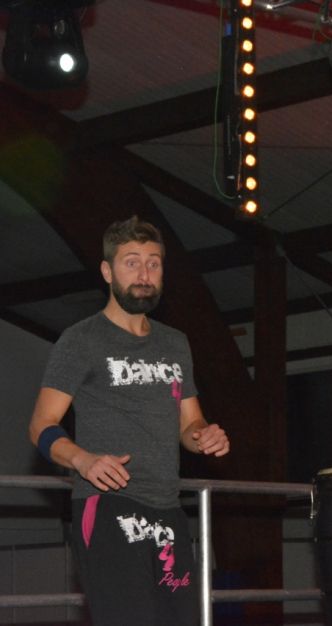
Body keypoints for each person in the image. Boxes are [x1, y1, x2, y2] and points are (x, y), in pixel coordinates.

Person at [27, 216, 230, 626]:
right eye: (132, 262)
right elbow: (40, 425)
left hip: (168, 508)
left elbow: (189, 423)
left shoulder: (175, 343)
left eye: (153, 263)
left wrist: (204, 435)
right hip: (108, 507)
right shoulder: (81, 340)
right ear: (107, 271)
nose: (144, 274)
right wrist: (83, 460)